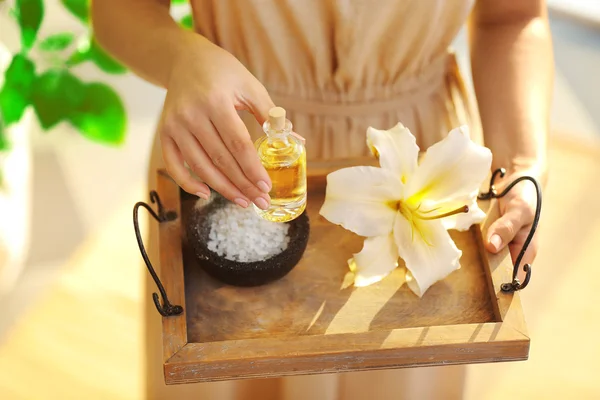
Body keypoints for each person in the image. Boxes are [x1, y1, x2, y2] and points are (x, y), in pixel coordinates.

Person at [92, 0, 552, 398]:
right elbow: (117, 12)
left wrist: (523, 164)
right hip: (232, 149)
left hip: (420, 156)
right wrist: (182, 58)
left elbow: (511, 15)